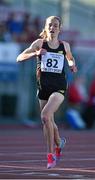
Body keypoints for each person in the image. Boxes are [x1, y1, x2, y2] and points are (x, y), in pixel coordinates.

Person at [16, 16, 77, 169]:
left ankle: (50, 156)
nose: (53, 28)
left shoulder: (65, 46)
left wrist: (72, 65)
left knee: (45, 115)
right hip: (43, 87)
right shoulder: (39, 44)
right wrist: (34, 54)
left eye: (56, 25)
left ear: (59, 28)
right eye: (50, 25)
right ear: (46, 27)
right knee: (48, 121)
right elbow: (19, 57)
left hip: (59, 87)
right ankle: (59, 143)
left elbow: (70, 58)